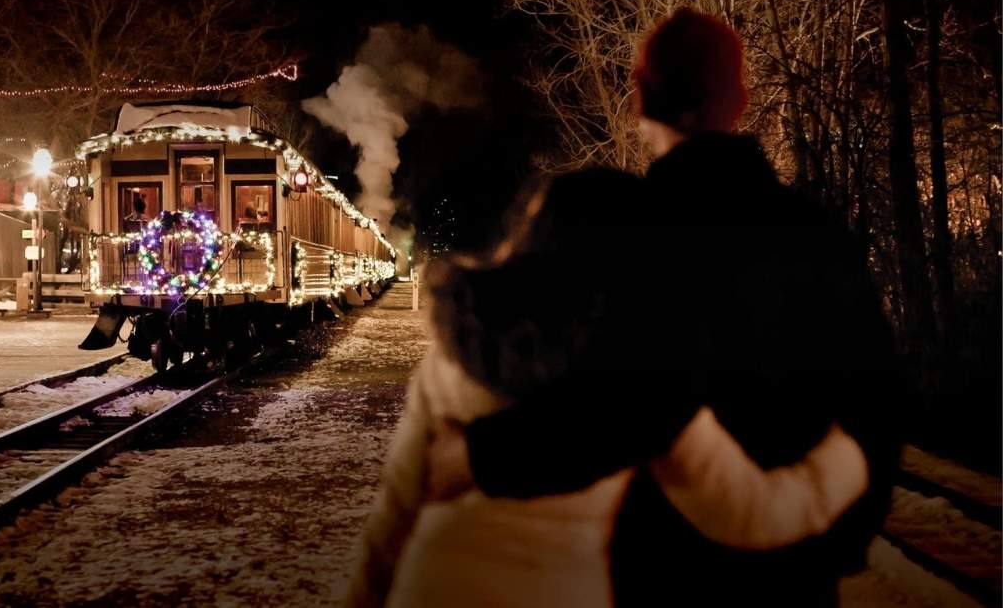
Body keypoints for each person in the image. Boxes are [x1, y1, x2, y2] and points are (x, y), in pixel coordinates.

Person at [426, 9, 901, 606]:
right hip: (799, 576)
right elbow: (878, 397)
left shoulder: (633, 228)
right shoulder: (818, 232)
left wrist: (477, 456)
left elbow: (628, 399)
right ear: (740, 102)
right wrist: (834, 539)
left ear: (639, 101)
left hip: (670, 568)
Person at [345, 169, 875, 608]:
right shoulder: (642, 384)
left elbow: (395, 514)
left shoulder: (459, 353)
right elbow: (750, 512)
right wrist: (849, 454)